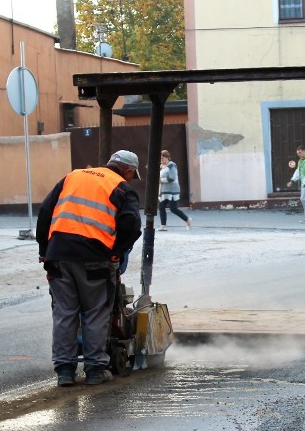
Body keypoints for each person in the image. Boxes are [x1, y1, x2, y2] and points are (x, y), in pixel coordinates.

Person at [36, 150, 142, 387]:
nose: (131, 179)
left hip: (59, 255)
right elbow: (132, 226)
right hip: (95, 258)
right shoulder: (122, 188)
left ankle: (64, 370)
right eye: (132, 175)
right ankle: (95, 369)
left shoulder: (72, 177)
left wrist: (45, 250)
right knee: (96, 312)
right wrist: (116, 252)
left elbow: (45, 212)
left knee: (64, 312)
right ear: (127, 171)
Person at [157, 150, 192, 231]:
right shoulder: (161, 166)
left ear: (168, 157)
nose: (162, 160)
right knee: (161, 207)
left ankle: (187, 220)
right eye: (161, 158)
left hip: (172, 191)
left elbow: (172, 177)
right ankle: (163, 225)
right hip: (164, 191)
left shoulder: (172, 165)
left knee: (173, 208)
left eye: (163, 158)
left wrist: (161, 180)